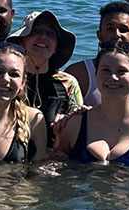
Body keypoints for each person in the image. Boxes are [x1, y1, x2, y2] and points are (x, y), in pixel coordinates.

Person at [7, 11, 83, 147]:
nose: (42, 37)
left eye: (50, 34)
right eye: (35, 32)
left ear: (55, 48)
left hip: (51, 160)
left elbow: (77, 126)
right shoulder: (7, 77)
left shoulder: (68, 83)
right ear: (21, 41)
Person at [64, 2, 129, 104]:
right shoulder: (79, 73)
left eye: (123, 29)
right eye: (110, 29)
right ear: (99, 35)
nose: (117, 34)